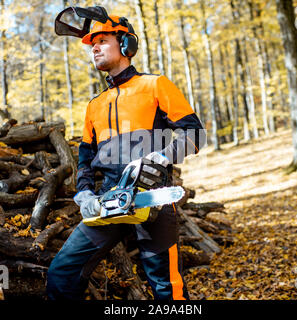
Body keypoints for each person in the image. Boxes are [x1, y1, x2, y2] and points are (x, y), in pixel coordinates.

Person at [47, 8, 206, 300]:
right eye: (91, 44)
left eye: (102, 40)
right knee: (62, 273)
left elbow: (195, 133)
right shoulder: (95, 105)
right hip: (108, 203)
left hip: (152, 198)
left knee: (166, 288)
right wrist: (84, 194)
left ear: (125, 45)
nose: (94, 47)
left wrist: (162, 156)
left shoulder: (155, 85)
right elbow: (84, 159)